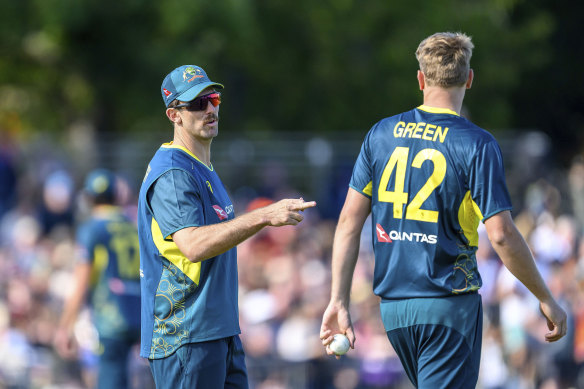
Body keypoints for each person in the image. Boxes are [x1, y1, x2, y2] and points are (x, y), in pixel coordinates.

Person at [319, 32, 567, 388]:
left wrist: (338, 299)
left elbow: (347, 223)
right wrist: (545, 297)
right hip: (447, 304)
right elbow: (500, 234)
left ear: (420, 79)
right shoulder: (476, 143)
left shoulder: (380, 134)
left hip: (394, 308)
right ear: (469, 79)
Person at [138, 64, 316, 388]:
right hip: (186, 334)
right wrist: (263, 216)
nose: (209, 109)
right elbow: (192, 245)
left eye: (213, 99)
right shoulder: (173, 173)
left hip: (219, 330)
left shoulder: (202, 168)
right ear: (173, 115)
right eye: (196, 103)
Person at [54, 169, 142, 388]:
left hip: (111, 317)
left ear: (90, 198)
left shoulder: (92, 228)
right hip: (140, 313)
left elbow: (81, 282)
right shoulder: (133, 226)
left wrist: (65, 326)